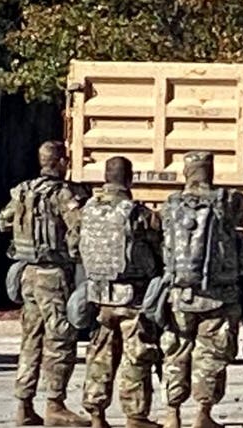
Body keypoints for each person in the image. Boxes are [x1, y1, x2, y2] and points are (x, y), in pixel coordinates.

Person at [0, 140, 91, 427]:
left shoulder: (23, 190)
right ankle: (55, 404)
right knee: (60, 338)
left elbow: (3, 221)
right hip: (53, 275)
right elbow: (80, 228)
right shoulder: (63, 193)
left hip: (27, 272)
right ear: (61, 161)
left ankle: (24, 405)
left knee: (31, 339)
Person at [158, 151, 243, 428]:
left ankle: (171, 414)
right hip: (218, 295)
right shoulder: (226, 201)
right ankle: (202, 414)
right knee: (211, 355)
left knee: (176, 352)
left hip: (179, 294)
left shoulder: (171, 204)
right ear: (210, 172)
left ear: (186, 173)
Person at [78, 157, 163, 428]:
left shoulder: (88, 209)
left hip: (98, 295)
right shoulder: (137, 213)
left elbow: (73, 244)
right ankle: (135, 416)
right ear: (130, 179)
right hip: (131, 296)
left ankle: (96, 414)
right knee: (136, 355)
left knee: (100, 354)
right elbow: (160, 245)